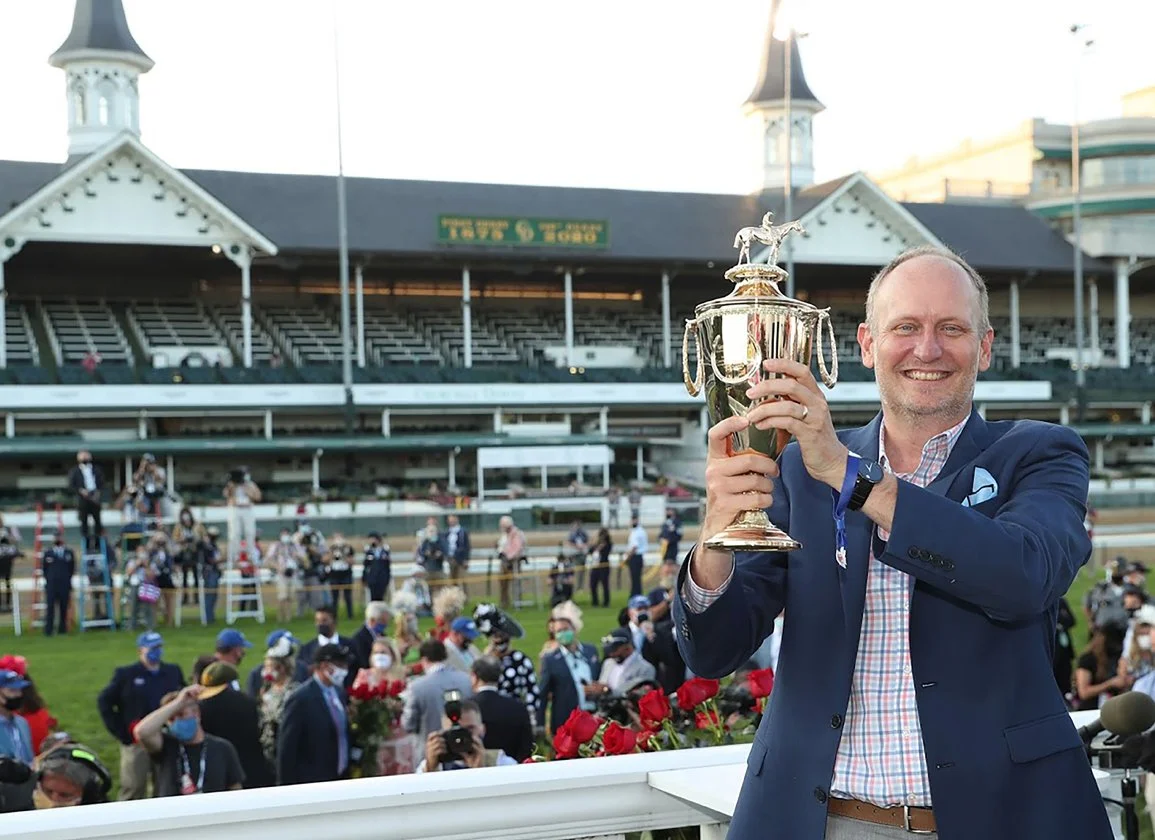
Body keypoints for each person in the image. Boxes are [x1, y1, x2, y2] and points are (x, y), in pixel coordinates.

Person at [672, 247, 1112, 839]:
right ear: (866, 344)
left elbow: (1023, 576)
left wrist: (854, 480)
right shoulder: (798, 468)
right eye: (905, 327)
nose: (926, 349)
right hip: (823, 822)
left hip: (1001, 818)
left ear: (984, 346)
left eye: (950, 328)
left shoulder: (1040, 452)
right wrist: (715, 538)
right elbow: (713, 651)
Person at [96, 631, 185, 800]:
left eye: (159, 647)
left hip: (166, 737)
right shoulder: (126, 675)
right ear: (140, 651)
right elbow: (104, 701)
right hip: (136, 742)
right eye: (152, 648)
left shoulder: (172, 672)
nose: (157, 651)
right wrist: (122, 733)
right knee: (134, 787)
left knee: (165, 785)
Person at [133, 685, 245, 796]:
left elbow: (235, 788)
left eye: (181, 715)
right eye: (171, 719)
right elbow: (142, 732)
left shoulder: (222, 748)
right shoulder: (166, 746)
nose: (176, 721)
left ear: (197, 714)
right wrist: (178, 702)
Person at [276, 643, 353, 786]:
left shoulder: (339, 693)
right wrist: (286, 788)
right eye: (339, 665)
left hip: (339, 777)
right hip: (312, 780)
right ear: (324, 666)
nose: (344, 670)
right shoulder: (301, 699)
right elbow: (287, 747)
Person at [415, 699, 518, 772]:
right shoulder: (431, 765)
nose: (460, 737)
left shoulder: (502, 763)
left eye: (469, 729)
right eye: (454, 731)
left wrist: (482, 771)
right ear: (442, 733)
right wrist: (430, 769)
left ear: (482, 729)